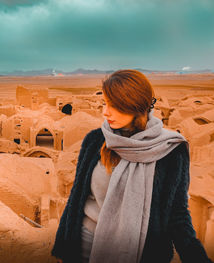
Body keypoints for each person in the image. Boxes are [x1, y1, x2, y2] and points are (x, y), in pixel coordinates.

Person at [51, 69, 212, 263]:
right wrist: (63, 248)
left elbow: (177, 214)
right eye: (104, 103)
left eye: (114, 105)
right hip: (83, 250)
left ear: (135, 106)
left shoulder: (170, 151)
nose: (105, 112)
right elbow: (77, 197)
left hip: (141, 254)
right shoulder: (95, 141)